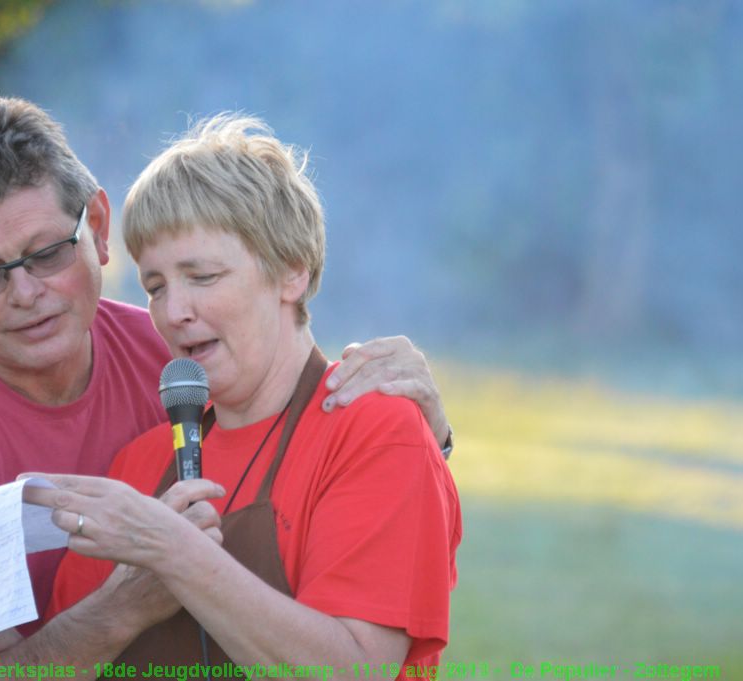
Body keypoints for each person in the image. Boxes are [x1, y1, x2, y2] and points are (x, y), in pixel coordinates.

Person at [0, 97, 454, 680]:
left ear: (96, 227)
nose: (175, 312)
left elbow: (290, 383)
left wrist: (428, 442)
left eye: (46, 255)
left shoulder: (182, 366)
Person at [26, 114, 461, 678]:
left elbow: (357, 670)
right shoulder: (139, 462)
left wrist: (174, 552)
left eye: (202, 276)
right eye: (155, 286)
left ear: (291, 272)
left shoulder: (377, 433)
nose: (174, 311)